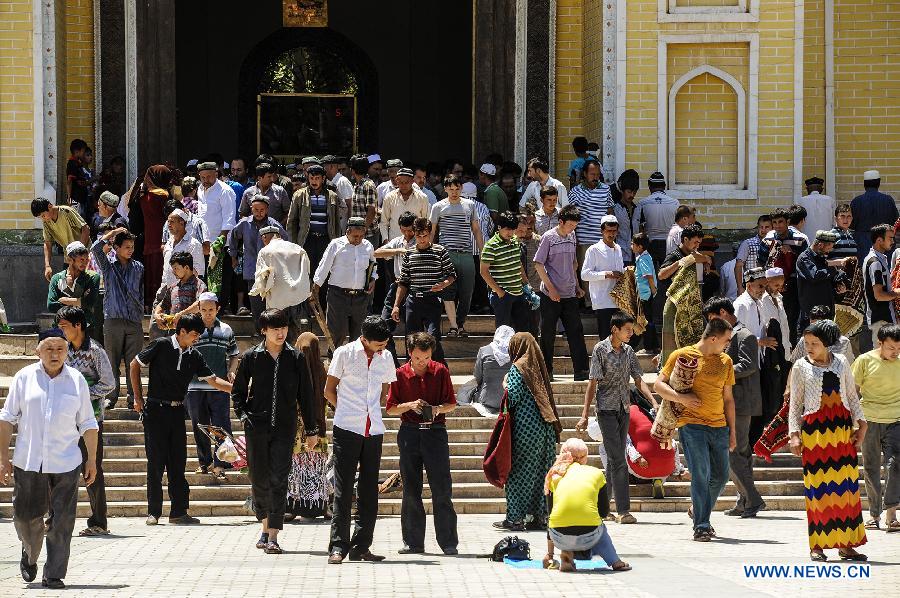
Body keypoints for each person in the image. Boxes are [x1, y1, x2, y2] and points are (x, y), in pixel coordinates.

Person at [0, 328, 98, 590]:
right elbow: (7, 419)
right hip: (29, 461)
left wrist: (91, 461)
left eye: (60, 349)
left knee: (63, 521)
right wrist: (3, 457)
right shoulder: (24, 378)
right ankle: (30, 553)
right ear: (37, 351)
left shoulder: (77, 380)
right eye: (49, 349)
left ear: (67, 352)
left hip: (67, 462)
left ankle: (54, 574)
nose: (55, 354)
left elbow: (88, 423)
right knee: (24, 518)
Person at [130, 313, 233, 526]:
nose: (197, 339)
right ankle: (154, 512)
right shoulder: (160, 344)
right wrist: (138, 398)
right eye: (194, 335)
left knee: (178, 462)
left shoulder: (194, 355)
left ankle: (178, 512)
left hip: (178, 411)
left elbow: (213, 380)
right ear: (182, 332)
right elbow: (134, 365)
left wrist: (239, 391)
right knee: (156, 462)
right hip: (155, 410)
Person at [231, 308, 319, 554]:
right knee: (259, 479)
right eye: (275, 329)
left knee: (279, 479)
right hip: (256, 427)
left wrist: (312, 430)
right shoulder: (251, 357)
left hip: (285, 428)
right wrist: (244, 416)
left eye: (283, 328)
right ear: (264, 331)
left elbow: (307, 396)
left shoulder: (296, 358)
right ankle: (264, 526)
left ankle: (273, 536)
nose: (280, 333)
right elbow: (237, 392)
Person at [788, 320, 867, 561]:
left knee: (847, 490)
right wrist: (794, 434)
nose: (809, 347)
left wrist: (861, 424)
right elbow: (795, 404)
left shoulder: (842, 362)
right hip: (816, 436)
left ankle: (846, 544)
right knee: (818, 491)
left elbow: (852, 397)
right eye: (807, 343)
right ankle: (817, 546)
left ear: (827, 344)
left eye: (815, 344)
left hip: (842, 433)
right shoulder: (800, 367)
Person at [654, 318, 737, 541]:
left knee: (720, 477)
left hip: (719, 426)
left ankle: (698, 510)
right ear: (713, 338)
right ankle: (702, 525)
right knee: (701, 473)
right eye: (726, 340)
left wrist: (733, 432)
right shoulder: (682, 355)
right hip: (692, 425)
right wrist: (681, 398)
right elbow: (658, 385)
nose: (728, 344)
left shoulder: (726, 361)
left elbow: (728, 399)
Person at [326, 316, 397, 564]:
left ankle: (361, 546)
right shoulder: (344, 353)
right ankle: (338, 546)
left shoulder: (386, 357)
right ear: (364, 339)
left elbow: (385, 392)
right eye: (378, 344)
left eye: (385, 343)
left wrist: (370, 411)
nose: (382, 348)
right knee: (343, 490)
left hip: (374, 430)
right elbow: (329, 390)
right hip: (346, 428)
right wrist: (345, 410)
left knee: (369, 491)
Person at [575, 311, 655, 524]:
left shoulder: (629, 351)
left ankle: (602, 509)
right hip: (605, 410)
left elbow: (639, 380)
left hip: (624, 409)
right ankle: (623, 510)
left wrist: (655, 402)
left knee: (613, 460)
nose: (631, 333)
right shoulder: (601, 350)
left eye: (631, 329)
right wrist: (584, 415)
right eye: (627, 330)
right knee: (619, 459)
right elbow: (592, 384)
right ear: (615, 329)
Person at [385, 332, 459, 555]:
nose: (422, 363)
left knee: (442, 487)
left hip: (435, 432)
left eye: (426, 358)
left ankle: (448, 542)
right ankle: (413, 542)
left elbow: (452, 404)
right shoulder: (399, 374)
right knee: (410, 488)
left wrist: (436, 409)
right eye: (418, 358)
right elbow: (390, 408)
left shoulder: (440, 371)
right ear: (409, 353)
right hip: (409, 432)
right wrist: (410, 405)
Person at [702, 297, 765, 518]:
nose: (712, 325)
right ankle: (745, 501)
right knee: (741, 453)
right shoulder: (732, 336)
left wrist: (719, 369)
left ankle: (753, 499)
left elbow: (748, 365)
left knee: (733, 452)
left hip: (740, 403)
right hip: (733, 402)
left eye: (713, 319)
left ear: (723, 313)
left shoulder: (744, 335)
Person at [56, 307, 115, 537]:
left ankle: (99, 521)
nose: (61, 332)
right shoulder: (63, 350)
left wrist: (81, 393)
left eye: (64, 327)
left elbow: (109, 384)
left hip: (90, 419)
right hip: (64, 420)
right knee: (59, 469)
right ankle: (55, 519)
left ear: (77, 326)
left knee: (93, 469)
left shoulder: (96, 351)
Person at [493, 332, 561, 531]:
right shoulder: (538, 367)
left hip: (525, 429)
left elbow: (512, 396)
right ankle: (539, 517)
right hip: (545, 429)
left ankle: (514, 518)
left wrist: (505, 383)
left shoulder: (518, 367)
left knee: (517, 473)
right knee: (541, 474)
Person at [541, 438, 631, 573]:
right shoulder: (596, 473)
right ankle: (615, 561)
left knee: (563, 521)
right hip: (590, 535)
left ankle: (567, 556)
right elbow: (603, 512)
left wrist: (550, 554)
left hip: (559, 537)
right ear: (585, 457)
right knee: (599, 525)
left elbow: (551, 515)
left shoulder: (553, 476)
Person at [851, 323, 900, 532]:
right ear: (880, 343)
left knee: (894, 465)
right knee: (870, 468)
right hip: (869, 420)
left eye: (899, 349)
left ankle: (892, 513)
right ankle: (873, 515)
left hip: (896, 420)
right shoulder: (864, 360)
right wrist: (853, 421)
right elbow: (853, 391)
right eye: (891, 348)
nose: (895, 352)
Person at [186, 293, 239, 480]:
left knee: (220, 425)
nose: (207, 313)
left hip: (219, 387)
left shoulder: (226, 330)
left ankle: (221, 463)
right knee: (199, 425)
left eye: (211, 310)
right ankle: (204, 462)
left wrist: (232, 371)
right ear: (198, 309)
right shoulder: (192, 330)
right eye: (203, 310)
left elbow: (234, 354)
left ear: (217, 309)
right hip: (194, 387)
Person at [534, 204, 589, 380]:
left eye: (575, 226)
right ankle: (546, 371)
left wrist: (577, 286)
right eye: (570, 225)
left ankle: (581, 371)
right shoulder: (548, 238)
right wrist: (551, 289)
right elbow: (538, 264)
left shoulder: (572, 236)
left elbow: (574, 263)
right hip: (550, 295)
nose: (573, 229)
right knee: (548, 333)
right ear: (561, 221)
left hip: (570, 293)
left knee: (576, 331)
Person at [91, 227, 144, 410]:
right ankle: (111, 396)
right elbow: (95, 248)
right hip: (113, 319)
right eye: (127, 246)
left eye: (132, 246)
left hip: (134, 320)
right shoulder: (108, 267)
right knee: (111, 360)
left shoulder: (139, 267)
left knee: (133, 361)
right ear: (117, 248)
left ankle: (133, 397)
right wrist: (112, 234)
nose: (130, 250)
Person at [391, 218, 456, 364]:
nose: (422, 239)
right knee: (412, 340)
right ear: (414, 234)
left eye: (425, 236)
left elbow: (452, 275)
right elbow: (403, 282)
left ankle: (439, 371)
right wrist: (396, 305)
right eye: (419, 236)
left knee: (432, 338)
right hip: (413, 301)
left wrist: (443, 284)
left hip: (432, 300)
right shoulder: (409, 254)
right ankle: (411, 372)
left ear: (430, 234)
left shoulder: (440, 251)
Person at [285, 332, 332, 520]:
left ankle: (311, 506)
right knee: (301, 469)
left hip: (307, 430)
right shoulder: (319, 371)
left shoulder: (321, 372)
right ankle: (305, 506)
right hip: (306, 429)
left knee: (308, 469)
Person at [430, 174, 483, 337]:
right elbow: (432, 232)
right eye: (450, 189)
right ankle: (454, 326)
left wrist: (483, 252)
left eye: (457, 188)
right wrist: (430, 253)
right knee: (448, 291)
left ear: (461, 188)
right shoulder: (438, 206)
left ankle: (460, 323)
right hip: (446, 253)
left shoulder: (470, 205)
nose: (454, 192)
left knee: (467, 292)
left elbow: (476, 229)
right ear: (445, 189)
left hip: (466, 253)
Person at [312, 217, 378, 348]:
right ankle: (334, 361)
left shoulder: (368, 246)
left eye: (361, 236)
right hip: (338, 295)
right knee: (337, 333)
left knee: (359, 335)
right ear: (347, 232)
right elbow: (323, 267)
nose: (358, 239)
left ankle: (355, 363)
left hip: (361, 296)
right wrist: (316, 288)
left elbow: (373, 266)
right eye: (355, 236)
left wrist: (373, 279)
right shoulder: (335, 245)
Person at [229, 195, 288, 330]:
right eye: (256, 210)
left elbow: (286, 241)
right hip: (252, 271)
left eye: (262, 210)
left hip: (271, 271)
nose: (259, 213)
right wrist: (233, 256)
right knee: (256, 307)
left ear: (267, 209)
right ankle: (260, 333)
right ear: (251, 209)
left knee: (272, 306)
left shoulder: (274, 225)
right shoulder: (244, 223)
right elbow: (233, 237)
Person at [250, 227, 312, 343]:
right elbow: (307, 269)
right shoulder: (297, 248)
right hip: (299, 297)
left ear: (264, 237)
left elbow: (261, 279)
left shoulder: (265, 251)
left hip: (277, 300)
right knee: (301, 335)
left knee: (279, 335)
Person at [658, 224, 709, 363]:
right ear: (685, 240)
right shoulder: (674, 255)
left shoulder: (694, 254)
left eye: (699, 242)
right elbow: (661, 275)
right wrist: (680, 263)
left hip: (692, 306)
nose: (697, 245)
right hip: (675, 306)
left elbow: (705, 259)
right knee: (671, 340)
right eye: (695, 242)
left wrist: (704, 260)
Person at [374, 211, 417, 365]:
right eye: (404, 230)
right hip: (397, 284)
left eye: (410, 230)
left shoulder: (420, 241)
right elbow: (377, 253)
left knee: (411, 331)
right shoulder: (398, 241)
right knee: (383, 326)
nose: (407, 233)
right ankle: (394, 364)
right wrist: (398, 251)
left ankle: (409, 364)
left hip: (414, 286)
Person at [286, 163, 343, 275]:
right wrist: (293, 245)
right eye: (311, 178)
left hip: (325, 240)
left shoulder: (332, 196)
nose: (314, 181)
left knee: (324, 273)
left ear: (323, 179)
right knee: (306, 272)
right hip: (307, 240)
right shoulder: (299, 195)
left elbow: (336, 223)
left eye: (317, 178)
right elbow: (291, 222)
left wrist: (336, 243)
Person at [197, 161, 237, 312]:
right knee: (205, 277)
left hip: (221, 243)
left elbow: (229, 219)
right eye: (203, 177)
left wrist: (220, 242)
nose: (206, 180)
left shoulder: (225, 191)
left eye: (209, 177)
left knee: (221, 278)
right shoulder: (200, 189)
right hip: (203, 243)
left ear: (216, 174)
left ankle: (222, 308)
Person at [481, 211, 531, 331]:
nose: (510, 233)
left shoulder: (515, 241)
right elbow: (483, 272)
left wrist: (526, 285)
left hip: (519, 293)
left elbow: (518, 263)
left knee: (522, 330)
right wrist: (499, 292)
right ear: (499, 227)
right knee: (503, 332)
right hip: (503, 296)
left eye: (513, 229)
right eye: (507, 229)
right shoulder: (490, 245)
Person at [47, 241, 103, 344]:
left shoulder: (92, 277)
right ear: (69, 259)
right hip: (61, 329)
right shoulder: (57, 279)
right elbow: (51, 305)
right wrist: (79, 302)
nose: (85, 263)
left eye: (87, 260)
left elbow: (90, 302)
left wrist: (66, 300)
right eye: (81, 259)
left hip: (85, 327)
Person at [567, 160, 612, 288]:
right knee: (586, 272)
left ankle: (600, 303)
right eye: (592, 174)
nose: (595, 177)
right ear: (585, 174)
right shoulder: (575, 191)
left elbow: (610, 211)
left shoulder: (605, 189)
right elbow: (570, 214)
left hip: (602, 240)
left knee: (602, 272)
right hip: (583, 240)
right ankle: (589, 303)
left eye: (597, 174)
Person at [796, 229, 848, 334]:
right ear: (820, 245)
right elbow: (815, 275)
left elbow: (828, 279)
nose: (830, 251)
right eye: (828, 247)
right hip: (812, 315)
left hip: (827, 313)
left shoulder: (821, 258)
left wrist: (839, 284)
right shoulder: (804, 258)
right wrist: (834, 268)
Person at [581, 215, 624, 340]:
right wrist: (607, 274)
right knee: (606, 339)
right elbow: (585, 274)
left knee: (618, 339)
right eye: (608, 231)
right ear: (602, 231)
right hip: (603, 301)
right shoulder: (593, 250)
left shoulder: (618, 249)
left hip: (618, 301)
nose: (611, 234)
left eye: (614, 231)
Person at [32, 197, 91, 283]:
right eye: (40, 217)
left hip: (84, 255)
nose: (43, 219)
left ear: (49, 206)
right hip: (69, 256)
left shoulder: (66, 211)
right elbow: (47, 243)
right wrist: (47, 265)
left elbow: (85, 229)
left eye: (43, 215)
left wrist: (79, 253)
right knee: (67, 286)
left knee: (84, 285)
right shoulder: (46, 222)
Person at [153, 251, 206, 337]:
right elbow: (162, 304)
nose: (173, 272)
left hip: (191, 334)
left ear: (186, 267)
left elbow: (200, 305)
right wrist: (157, 315)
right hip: (172, 335)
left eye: (176, 268)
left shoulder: (199, 285)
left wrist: (181, 315)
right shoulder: (173, 286)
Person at [863, 223, 900, 345]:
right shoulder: (875, 262)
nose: (893, 242)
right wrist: (897, 293)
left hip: (883, 319)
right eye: (890, 238)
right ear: (879, 240)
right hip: (880, 320)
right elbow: (879, 295)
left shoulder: (879, 259)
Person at [633, 171, 679, 267]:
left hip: (649, 244)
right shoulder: (675, 203)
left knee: (649, 276)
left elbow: (636, 226)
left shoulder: (642, 203)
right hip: (669, 243)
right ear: (664, 186)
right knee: (666, 275)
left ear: (649, 186)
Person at [851, 169, 898, 259]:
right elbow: (895, 222)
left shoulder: (856, 201)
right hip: (884, 242)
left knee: (865, 269)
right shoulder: (888, 200)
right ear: (878, 183)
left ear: (864, 184)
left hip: (862, 243)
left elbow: (852, 225)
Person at [471, 326, 515, 415]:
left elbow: (477, 376)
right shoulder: (516, 352)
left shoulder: (484, 350)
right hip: (510, 399)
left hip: (487, 399)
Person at [380, 167, 430, 243]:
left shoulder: (422, 198)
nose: (403, 185)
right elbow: (384, 222)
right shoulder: (389, 197)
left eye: (406, 182)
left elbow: (425, 222)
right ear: (397, 181)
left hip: (416, 243)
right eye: (401, 182)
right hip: (394, 243)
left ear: (413, 181)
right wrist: (386, 241)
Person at [160, 209, 205, 287]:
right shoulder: (168, 243)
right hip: (165, 287)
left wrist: (182, 285)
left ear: (181, 223)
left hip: (184, 290)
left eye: (172, 222)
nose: (169, 225)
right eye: (168, 222)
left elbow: (198, 270)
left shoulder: (194, 244)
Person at [632, 232, 658, 353]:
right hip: (645, 294)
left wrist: (653, 289)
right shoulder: (645, 257)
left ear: (640, 247)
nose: (631, 245)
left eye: (633, 244)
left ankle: (648, 347)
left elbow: (648, 275)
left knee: (645, 321)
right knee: (648, 320)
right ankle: (654, 346)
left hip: (644, 295)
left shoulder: (642, 258)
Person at [735, 215, 772, 296]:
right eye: (761, 227)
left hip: (770, 287)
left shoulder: (776, 244)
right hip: (752, 286)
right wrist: (740, 287)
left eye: (766, 227)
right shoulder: (748, 243)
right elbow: (738, 265)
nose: (763, 230)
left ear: (772, 228)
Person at [610, 169, 640, 266]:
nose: (632, 195)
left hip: (636, 256)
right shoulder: (615, 209)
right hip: (619, 256)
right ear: (622, 190)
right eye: (629, 191)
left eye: (634, 192)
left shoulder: (638, 209)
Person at [733, 267, 769, 339]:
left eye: (765, 287)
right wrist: (761, 342)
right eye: (760, 286)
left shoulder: (760, 303)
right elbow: (736, 335)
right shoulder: (741, 305)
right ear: (749, 286)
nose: (763, 290)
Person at [798, 177, 836, 241]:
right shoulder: (830, 200)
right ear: (822, 189)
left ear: (807, 189)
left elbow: (797, 222)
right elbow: (835, 222)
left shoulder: (801, 201)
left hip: (807, 240)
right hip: (826, 240)